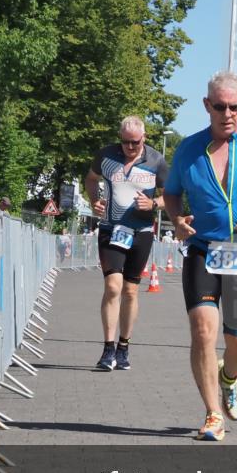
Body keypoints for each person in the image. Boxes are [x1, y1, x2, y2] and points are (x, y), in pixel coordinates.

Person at [163, 71, 237, 441]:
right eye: (220, 106)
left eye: (234, 106)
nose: (227, 113)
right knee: (202, 332)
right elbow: (171, 195)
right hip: (202, 250)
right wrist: (177, 220)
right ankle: (213, 415)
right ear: (207, 105)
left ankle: (228, 376)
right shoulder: (187, 149)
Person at [85, 117, 167, 371]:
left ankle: (123, 346)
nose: (130, 147)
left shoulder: (156, 161)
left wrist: (154, 204)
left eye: (135, 142)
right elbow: (90, 178)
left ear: (144, 138)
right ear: (119, 138)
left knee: (130, 291)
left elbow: (171, 196)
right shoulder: (106, 156)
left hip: (141, 231)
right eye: (125, 142)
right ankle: (107, 349)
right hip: (111, 228)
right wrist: (94, 200)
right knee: (113, 286)